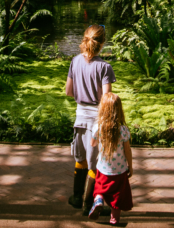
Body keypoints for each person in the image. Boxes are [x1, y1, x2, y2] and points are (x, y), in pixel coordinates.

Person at [66, 25, 116, 214]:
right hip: (96, 120)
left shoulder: (75, 61)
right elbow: (107, 100)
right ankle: (90, 203)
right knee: (95, 162)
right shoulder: (105, 67)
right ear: (102, 44)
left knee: (80, 159)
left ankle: (77, 196)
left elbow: (68, 91)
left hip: (79, 118)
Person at [88, 93, 133, 225]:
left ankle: (99, 200)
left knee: (99, 188)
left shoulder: (98, 127)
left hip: (103, 168)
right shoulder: (123, 130)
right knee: (117, 196)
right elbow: (128, 150)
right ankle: (114, 219)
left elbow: (92, 144)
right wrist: (130, 166)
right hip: (120, 170)